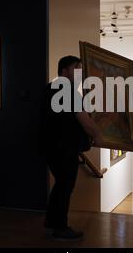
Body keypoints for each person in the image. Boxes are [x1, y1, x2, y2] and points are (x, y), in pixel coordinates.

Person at [42, 55, 102, 240]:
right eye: (77, 69)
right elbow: (85, 122)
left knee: (60, 186)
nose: (80, 73)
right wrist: (98, 136)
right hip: (65, 149)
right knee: (65, 187)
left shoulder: (48, 89)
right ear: (64, 71)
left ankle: (51, 224)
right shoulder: (67, 92)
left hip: (51, 147)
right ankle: (60, 228)